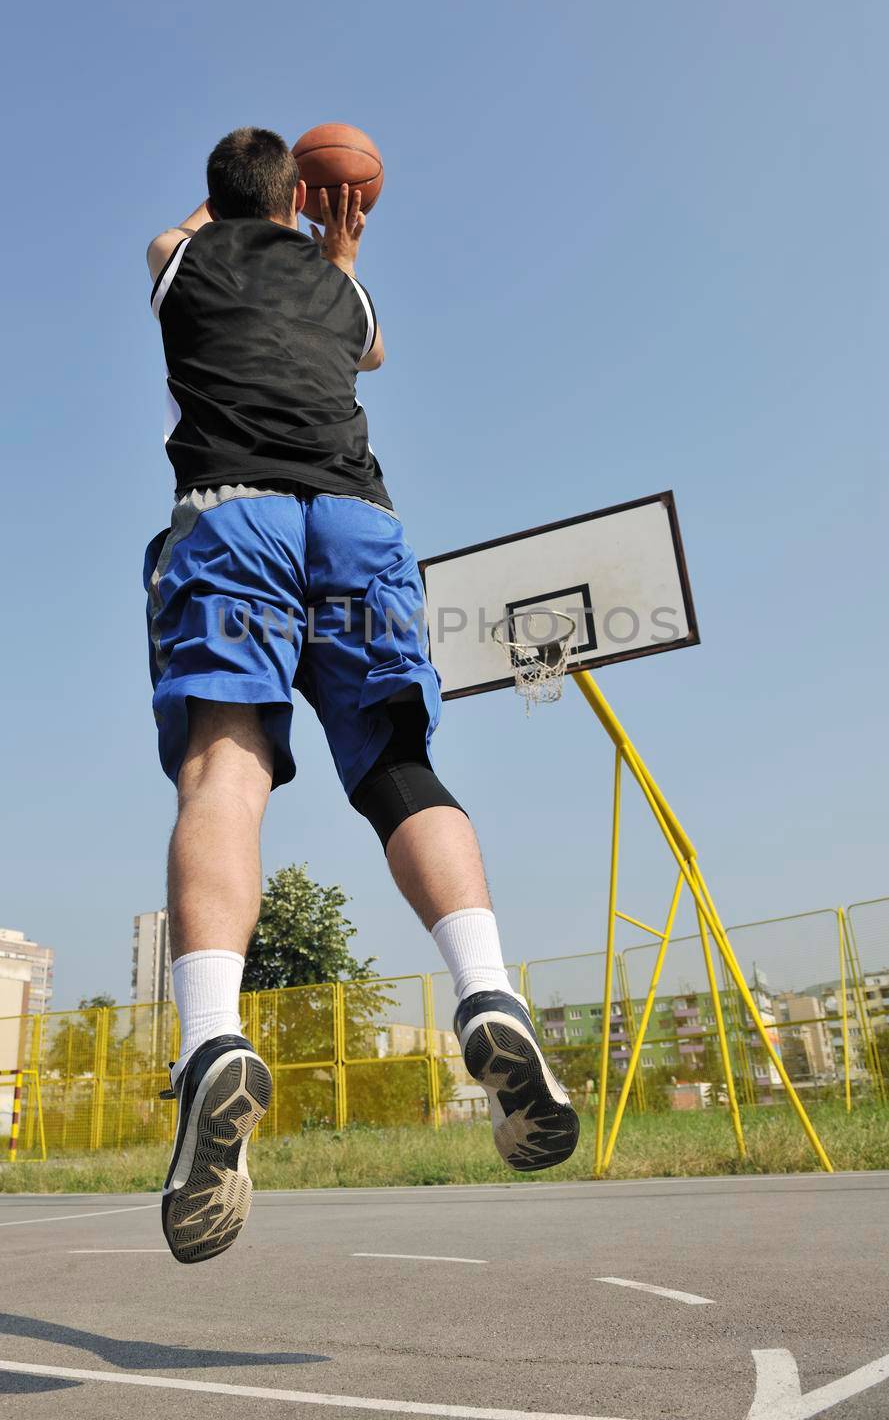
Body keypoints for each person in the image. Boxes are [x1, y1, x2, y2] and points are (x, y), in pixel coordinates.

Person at [144, 127, 579, 1264]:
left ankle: (212, 1042)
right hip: (357, 521)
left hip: (234, 515)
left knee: (225, 768)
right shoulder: (347, 299)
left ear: (214, 199)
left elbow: (174, 238)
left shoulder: (183, 257)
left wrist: (239, 210)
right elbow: (371, 350)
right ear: (302, 201)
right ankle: (486, 994)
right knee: (398, 766)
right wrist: (328, 242)